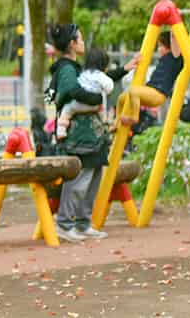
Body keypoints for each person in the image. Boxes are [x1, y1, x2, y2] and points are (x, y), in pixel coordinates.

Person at [47, 24, 110, 242]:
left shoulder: (75, 67)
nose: (83, 43)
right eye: (80, 39)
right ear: (72, 44)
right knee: (79, 180)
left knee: (92, 179)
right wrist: (96, 100)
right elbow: (73, 92)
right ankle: (65, 223)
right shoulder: (66, 69)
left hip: (91, 135)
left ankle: (83, 223)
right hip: (79, 135)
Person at [117, 29, 183, 126]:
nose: (158, 49)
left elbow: (174, 37)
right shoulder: (163, 60)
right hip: (150, 91)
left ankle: (134, 118)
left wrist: (173, 21)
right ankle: (117, 123)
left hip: (158, 94)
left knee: (134, 90)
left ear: (169, 46)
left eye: (161, 46)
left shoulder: (175, 58)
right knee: (121, 99)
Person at [56, 47, 114, 141]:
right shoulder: (101, 75)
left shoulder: (82, 73)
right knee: (103, 100)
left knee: (66, 111)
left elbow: (77, 84)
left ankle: (61, 131)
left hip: (76, 105)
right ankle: (105, 121)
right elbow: (109, 86)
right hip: (94, 106)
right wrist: (105, 92)